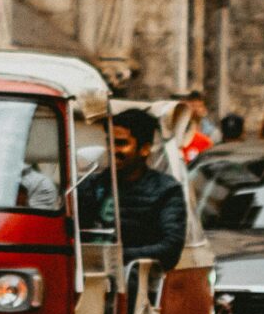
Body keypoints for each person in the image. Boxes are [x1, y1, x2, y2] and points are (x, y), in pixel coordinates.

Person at [81, 107, 191, 281]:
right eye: (110, 142)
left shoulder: (166, 190)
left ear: (145, 149)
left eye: (121, 143)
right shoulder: (90, 185)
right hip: (87, 277)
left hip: (136, 284)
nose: (112, 150)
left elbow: (170, 247)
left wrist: (117, 257)